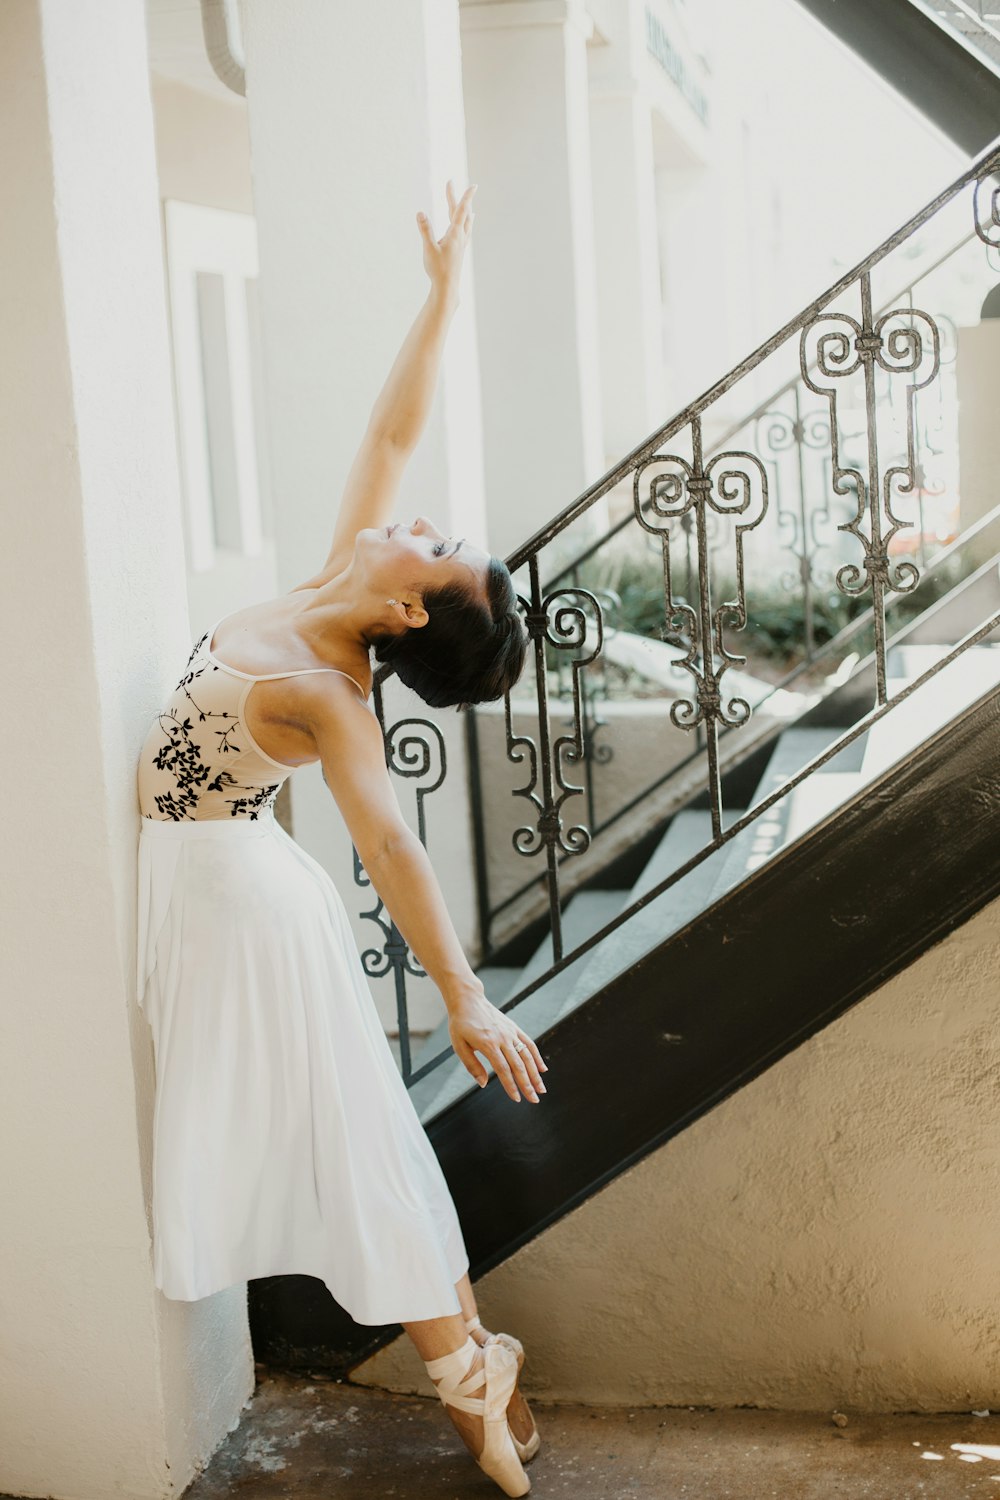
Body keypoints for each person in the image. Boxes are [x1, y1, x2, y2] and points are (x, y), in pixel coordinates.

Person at [135, 181, 546, 1497]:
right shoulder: (328, 583)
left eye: (435, 547)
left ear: (412, 612)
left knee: (352, 1153)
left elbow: (394, 850)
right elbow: (393, 421)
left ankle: (471, 1375)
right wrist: (443, 291)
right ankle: (477, 1367)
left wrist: (464, 994)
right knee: (348, 1147)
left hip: (240, 908)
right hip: (207, 884)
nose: (415, 523)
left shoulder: (332, 693)